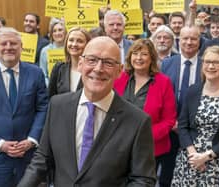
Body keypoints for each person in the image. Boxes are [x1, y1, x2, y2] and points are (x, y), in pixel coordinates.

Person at [17, 36, 156, 187]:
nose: (98, 69)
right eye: (92, 60)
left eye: (108, 63)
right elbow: (42, 159)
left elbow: (143, 179)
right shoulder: (58, 105)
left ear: (119, 71)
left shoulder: (137, 121)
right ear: (80, 64)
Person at [0, 27, 48, 187]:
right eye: (3, 43)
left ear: (21, 47)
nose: (8, 47)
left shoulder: (36, 72)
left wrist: (32, 140)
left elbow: (43, 108)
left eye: (13, 43)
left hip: (29, 156)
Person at [114, 38, 176, 186]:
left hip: (150, 149)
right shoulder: (119, 79)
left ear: (152, 58)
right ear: (130, 57)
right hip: (120, 146)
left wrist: (144, 136)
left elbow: (169, 120)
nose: (139, 58)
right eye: (135, 53)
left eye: (144, 54)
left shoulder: (163, 82)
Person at [172, 46, 219, 186]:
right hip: (190, 160)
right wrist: (193, 155)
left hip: (218, 163)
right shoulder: (192, 91)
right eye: (207, 62)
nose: (211, 66)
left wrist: (206, 157)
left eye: (216, 62)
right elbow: (182, 126)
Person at [161, 26, 202, 186]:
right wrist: (172, 122)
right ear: (179, 41)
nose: (189, 42)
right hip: (171, 129)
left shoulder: (207, 64)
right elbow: (161, 95)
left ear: (200, 41)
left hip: (196, 130)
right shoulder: (167, 64)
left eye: (193, 39)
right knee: (167, 173)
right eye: (185, 38)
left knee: (194, 173)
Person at [48, 27, 91, 98]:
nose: (74, 44)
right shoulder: (58, 68)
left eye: (79, 41)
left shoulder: (92, 69)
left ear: (87, 44)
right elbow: (51, 97)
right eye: (71, 40)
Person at [39, 19, 67, 86]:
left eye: (60, 30)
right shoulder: (45, 51)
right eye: (54, 31)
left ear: (65, 32)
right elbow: (43, 73)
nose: (57, 33)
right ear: (51, 34)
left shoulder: (70, 49)